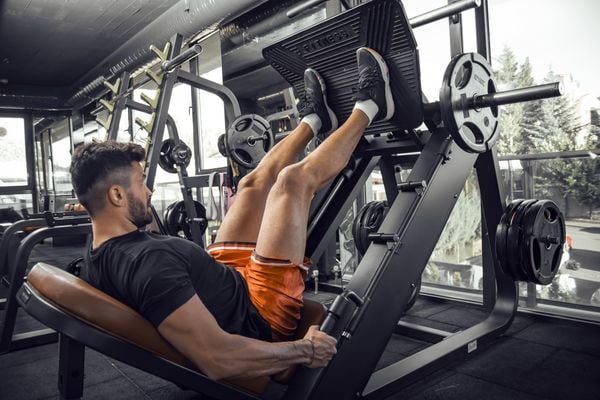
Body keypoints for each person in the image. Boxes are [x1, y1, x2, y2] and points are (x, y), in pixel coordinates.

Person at [69, 47, 395, 381]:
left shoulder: (98, 247)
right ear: (117, 195)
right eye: (141, 184)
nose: (149, 192)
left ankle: (314, 122)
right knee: (292, 182)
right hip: (258, 313)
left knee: (252, 183)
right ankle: (371, 106)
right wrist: (305, 349)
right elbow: (217, 357)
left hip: (222, 275)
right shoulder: (150, 269)